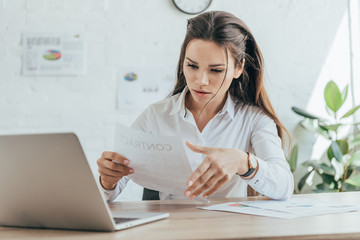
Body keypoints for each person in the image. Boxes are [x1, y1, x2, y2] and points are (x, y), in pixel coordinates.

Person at [97, 11, 294, 201]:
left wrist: (243, 161)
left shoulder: (254, 119)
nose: (201, 81)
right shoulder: (155, 116)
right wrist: (108, 180)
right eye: (192, 66)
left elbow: (284, 187)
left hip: (230, 229)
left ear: (238, 68)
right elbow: (109, 192)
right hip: (171, 230)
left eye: (216, 70)